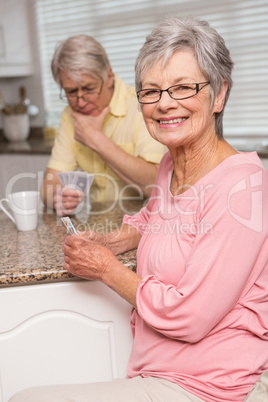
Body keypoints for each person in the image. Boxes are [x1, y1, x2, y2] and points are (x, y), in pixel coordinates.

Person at [10, 15, 268, 402]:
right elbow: (153, 218)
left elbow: (191, 316)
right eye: (151, 91)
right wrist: (111, 242)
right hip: (160, 371)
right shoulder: (172, 162)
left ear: (219, 95)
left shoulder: (241, 186)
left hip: (208, 387)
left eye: (183, 88)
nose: (164, 104)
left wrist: (105, 267)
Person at [41, 34, 166, 216]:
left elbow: (155, 185)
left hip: (148, 222)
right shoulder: (70, 115)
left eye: (89, 89)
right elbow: (49, 185)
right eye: (71, 92)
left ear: (108, 76)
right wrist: (58, 197)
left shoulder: (143, 106)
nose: (80, 102)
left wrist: (95, 140)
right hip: (101, 221)